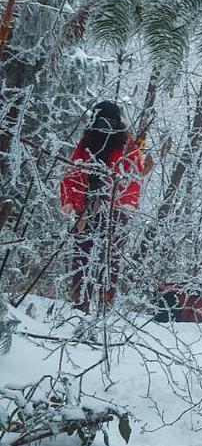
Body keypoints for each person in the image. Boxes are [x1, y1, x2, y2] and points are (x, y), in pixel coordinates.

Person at [59, 101, 146, 314]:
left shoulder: (126, 145)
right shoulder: (87, 142)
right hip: (87, 209)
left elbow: (134, 175)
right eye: (102, 121)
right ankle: (80, 304)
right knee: (82, 255)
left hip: (116, 209)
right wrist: (70, 200)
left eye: (110, 122)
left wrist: (127, 203)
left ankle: (105, 305)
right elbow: (73, 172)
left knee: (111, 258)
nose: (106, 126)